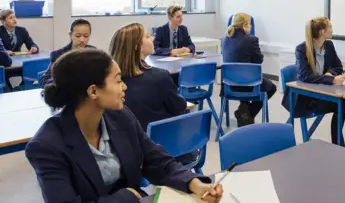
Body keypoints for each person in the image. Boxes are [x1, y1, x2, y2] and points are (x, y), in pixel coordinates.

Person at [25, 49, 222, 203]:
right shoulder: (46, 146)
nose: (125, 86)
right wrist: (126, 197)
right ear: (93, 91)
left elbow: (155, 160)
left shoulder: (120, 116)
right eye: (118, 81)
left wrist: (193, 182)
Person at [281, 17, 345, 146]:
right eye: (330, 27)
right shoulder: (301, 49)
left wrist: (330, 74)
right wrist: (331, 79)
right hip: (307, 99)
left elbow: (338, 67)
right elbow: (305, 76)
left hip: (323, 92)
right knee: (343, 104)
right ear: (323, 31)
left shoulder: (328, 45)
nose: (332, 30)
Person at [109, 22, 187, 131]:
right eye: (147, 36)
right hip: (159, 141)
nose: (153, 38)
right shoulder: (160, 77)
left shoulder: (109, 82)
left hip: (126, 142)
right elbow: (180, 106)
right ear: (137, 46)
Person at [221, 13, 277, 126]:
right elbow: (259, 60)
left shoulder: (224, 39)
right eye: (250, 25)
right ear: (244, 25)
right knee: (272, 88)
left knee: (243, 78)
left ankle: (244, 110)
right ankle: (247, 113)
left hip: (228, 85)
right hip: (248, 85)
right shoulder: (252, 40)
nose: (251, 27)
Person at [40, 19, 95, 88]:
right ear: (70, 35)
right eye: (78, 36)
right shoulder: (58, 55)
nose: (82, 40)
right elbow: (44, 80)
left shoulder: (94, 53)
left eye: (86, 36)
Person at [0, 9, 40, 90]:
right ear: (3, 22)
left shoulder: (22, 30)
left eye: (14, 17)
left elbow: (31, 43)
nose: (14, 19)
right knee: (4, 82)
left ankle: (19, 89)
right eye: (11, 18)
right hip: (5, 65)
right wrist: (5, 52)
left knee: (31, 72)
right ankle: (10, 92)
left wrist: (34, 47)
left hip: (19, 63)